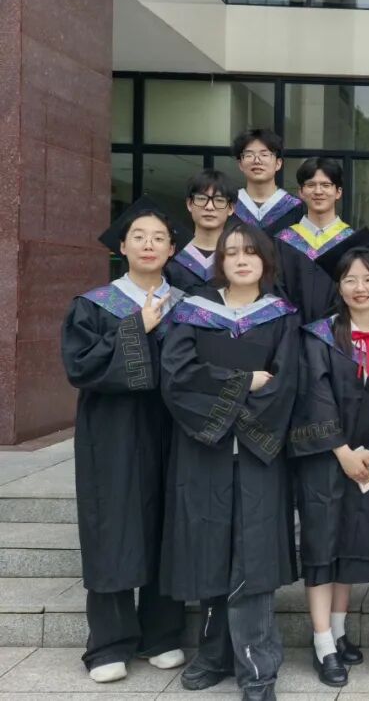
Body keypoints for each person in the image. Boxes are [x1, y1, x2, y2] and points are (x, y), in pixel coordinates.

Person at [161, 221, 301, 701]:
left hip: (258, 454)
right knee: (209, 549)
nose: (242, 260)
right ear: (220, 261)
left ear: (265, 261)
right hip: (206, 451)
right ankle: (213, 653)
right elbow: (177, 377)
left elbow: (286, 382)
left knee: (253, 559)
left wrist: (231, 401)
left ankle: (258, 670)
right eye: (232, 253)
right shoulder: (193, 312)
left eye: (251, 252)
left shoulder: (281, 316)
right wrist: (242, 382)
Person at [61, 198, 187, 684]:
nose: (149, 244)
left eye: (158, 238)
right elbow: (80, 367)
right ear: (122, 246)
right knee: (112, 527)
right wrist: (137, 328)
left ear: (172, 249)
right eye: (139, 237)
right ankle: (109, 643)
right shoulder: (94, 304)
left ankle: (162, 633)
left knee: (167, 524)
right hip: (113, 432)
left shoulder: (188, 306)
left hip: (172, 430)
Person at [290, 241, 369, 688]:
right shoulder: (318, 335)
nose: (360, 287)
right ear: (338, 286)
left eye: (368, 278)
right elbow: (314, 394)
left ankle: (339, 631)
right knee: (322, 544)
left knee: (353, 542)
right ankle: (322, 641)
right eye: (350, 279)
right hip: (326, 459)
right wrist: (342, 450)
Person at [275, 157, 360, 323]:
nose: (318, 191)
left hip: (339, 331)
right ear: (301, 192)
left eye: (326, 185)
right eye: (311, 185)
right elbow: (276, 292)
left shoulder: (353, 242)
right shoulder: (283, 241)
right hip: (290, 331)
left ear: (338, 192)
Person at [166, 170, 238, 293]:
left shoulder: (240, 258)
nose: (209, 207)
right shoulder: (170, 255)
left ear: (231, 208)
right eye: (201, 198)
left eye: (219, 200)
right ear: (189, 204)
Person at [231, 128, 304, 233]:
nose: (257, 161)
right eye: (249, 155)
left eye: (264, 155)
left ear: (278, 163)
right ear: (240, 164)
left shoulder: (295, 207)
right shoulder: (229, 205)